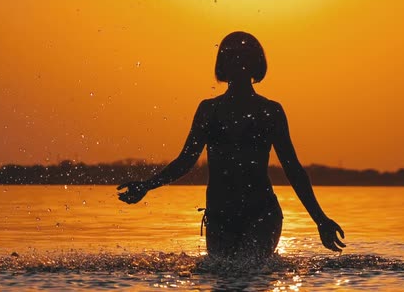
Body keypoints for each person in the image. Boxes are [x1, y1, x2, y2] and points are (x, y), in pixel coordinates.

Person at [118, 31, 345, 260]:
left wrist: (321, 219)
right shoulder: (209, 110)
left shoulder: (270, 111)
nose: (238, 62)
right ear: (222, 64)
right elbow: (186, 161)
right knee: (223, 276)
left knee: (251, 270)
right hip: (220, 215)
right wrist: (147, 185)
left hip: (261, 214)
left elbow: (293, 169)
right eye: (231, 56)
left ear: (255, 64)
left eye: (244, 56)